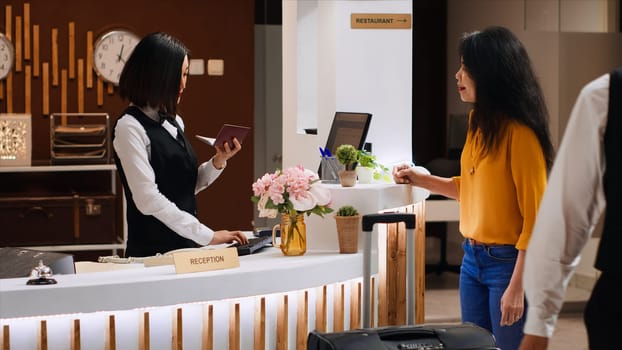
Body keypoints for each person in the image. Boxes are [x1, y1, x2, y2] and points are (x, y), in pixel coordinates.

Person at [393, 26, 554, 350]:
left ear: (491, 74)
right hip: (472, 259)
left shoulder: (520, 134)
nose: (457, 75)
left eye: (466, 68)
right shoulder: (478, 123)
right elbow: (476, 189)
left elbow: (536, 218)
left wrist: (518, 286)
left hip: (508, 265)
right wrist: (420, 178)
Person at [112, 32, 248, 257]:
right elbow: (147, 199)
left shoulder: (175, 121)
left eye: (186, 75)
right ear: (158, 75)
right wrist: (208, 236)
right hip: (152, 254)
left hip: (186, 248)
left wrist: (218, 161)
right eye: (179, 75)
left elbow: (183, 186)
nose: (184, 84)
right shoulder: (129, 127)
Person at [519, 68, 621, 349]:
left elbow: (568, 211)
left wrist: (540, 320)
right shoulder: (605, 95)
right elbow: (569, 211)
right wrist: (540, 320)